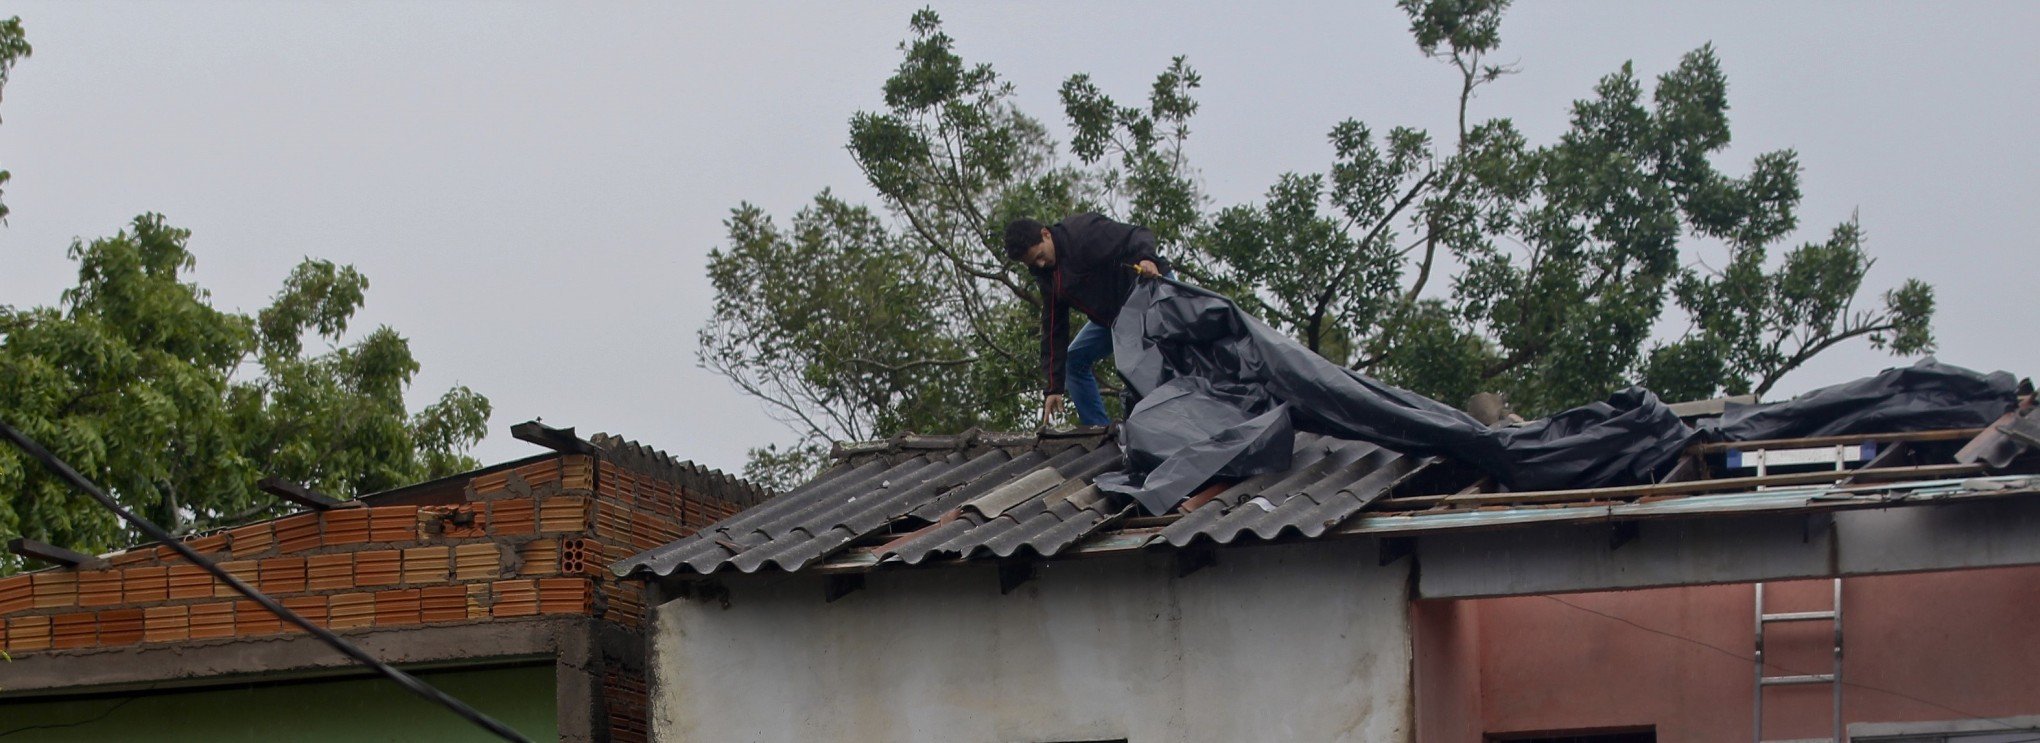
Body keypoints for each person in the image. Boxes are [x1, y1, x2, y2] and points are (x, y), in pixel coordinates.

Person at [1003, 213, 1170, 428]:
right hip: (1116, 317)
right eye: (1033, 263)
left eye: (1040, 256)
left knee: (1141, 367)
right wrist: (1053, 387)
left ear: (1046, 234)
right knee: (1075, 361)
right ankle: (1099, 431)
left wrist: (1147, 258)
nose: (1041, 264)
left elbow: (1138, 234)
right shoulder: (1045, 274)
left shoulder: (1083, 234)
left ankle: (1159, 424)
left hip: (1148, 294)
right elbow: (1054, 326)